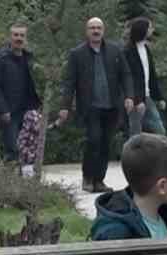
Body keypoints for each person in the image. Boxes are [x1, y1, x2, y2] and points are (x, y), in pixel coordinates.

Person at [58, 17, 136, 193]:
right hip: (90, 107)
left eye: (98, 28)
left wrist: (129, 96)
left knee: (105, 143)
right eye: (92, 28)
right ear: (87, 31)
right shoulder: (77, 54)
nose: (95, 31)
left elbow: (126, 75)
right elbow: (69, 82)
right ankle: (88, 177)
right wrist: (65, 105)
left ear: (103, 30)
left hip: (111, 106)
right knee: (94, 141)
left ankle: (99, 180)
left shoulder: (115, 51)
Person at [0, 23, 42, 164]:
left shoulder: (29, 59)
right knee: (12, 150)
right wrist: (3, 110)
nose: (19, 38)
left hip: (28, 112)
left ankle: (25, 183)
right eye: (16, 35)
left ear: (26, 38)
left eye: (22, 35)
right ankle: (9, 183)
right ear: (10, 37)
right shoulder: (1, 59)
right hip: (9, 113)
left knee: (28, 150)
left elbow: (36, 82)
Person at [121, 17, 167, 139]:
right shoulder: (127, 51)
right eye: (150, 27)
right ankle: (131, 158)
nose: (152, 29)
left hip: (147, 97)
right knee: (135, 132)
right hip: (134, 98)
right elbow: (129, 78)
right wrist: (137, 100)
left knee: (159, 130)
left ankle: (155, 156)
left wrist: (159, 97)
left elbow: (151, 75)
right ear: (143, 30)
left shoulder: (146, 49)